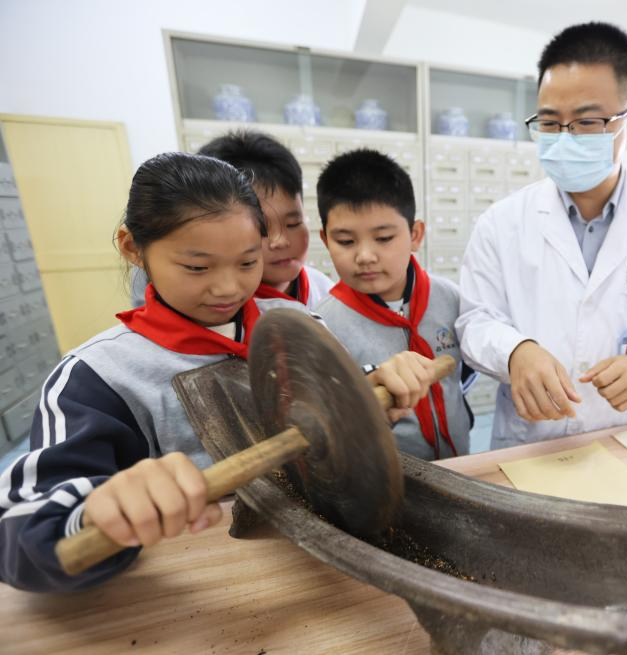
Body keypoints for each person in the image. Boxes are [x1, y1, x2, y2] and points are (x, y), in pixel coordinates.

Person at [0, 153, 432, 592]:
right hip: (199, 588)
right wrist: (94, 511)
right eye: (197, 267)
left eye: (247, 262)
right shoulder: (99, 376)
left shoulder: (293, 325)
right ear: (132, 247)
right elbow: (18, 536)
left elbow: (333, 426)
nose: (228, 287)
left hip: (322, 568)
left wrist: (372, 392)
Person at [455, 22, 627, 449]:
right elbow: (475, 321)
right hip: (531, 439)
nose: (564, 139)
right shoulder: (501, 222)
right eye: (549, 123)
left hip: (626, 435)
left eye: (586, 122)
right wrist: (515, 350)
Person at [314, 149, 470, 460]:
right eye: (346, 242)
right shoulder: (323, 327)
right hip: (390, 479)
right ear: (325, 240)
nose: (365, 256)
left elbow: (463, 379)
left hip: (461, 463)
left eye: (383, 238)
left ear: (415, 234)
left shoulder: (451, 298)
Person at [128, 131, 334, 310]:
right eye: (262, 228)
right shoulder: (216, 308)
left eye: (293, 223)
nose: (280, 240)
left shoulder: (324, 289)